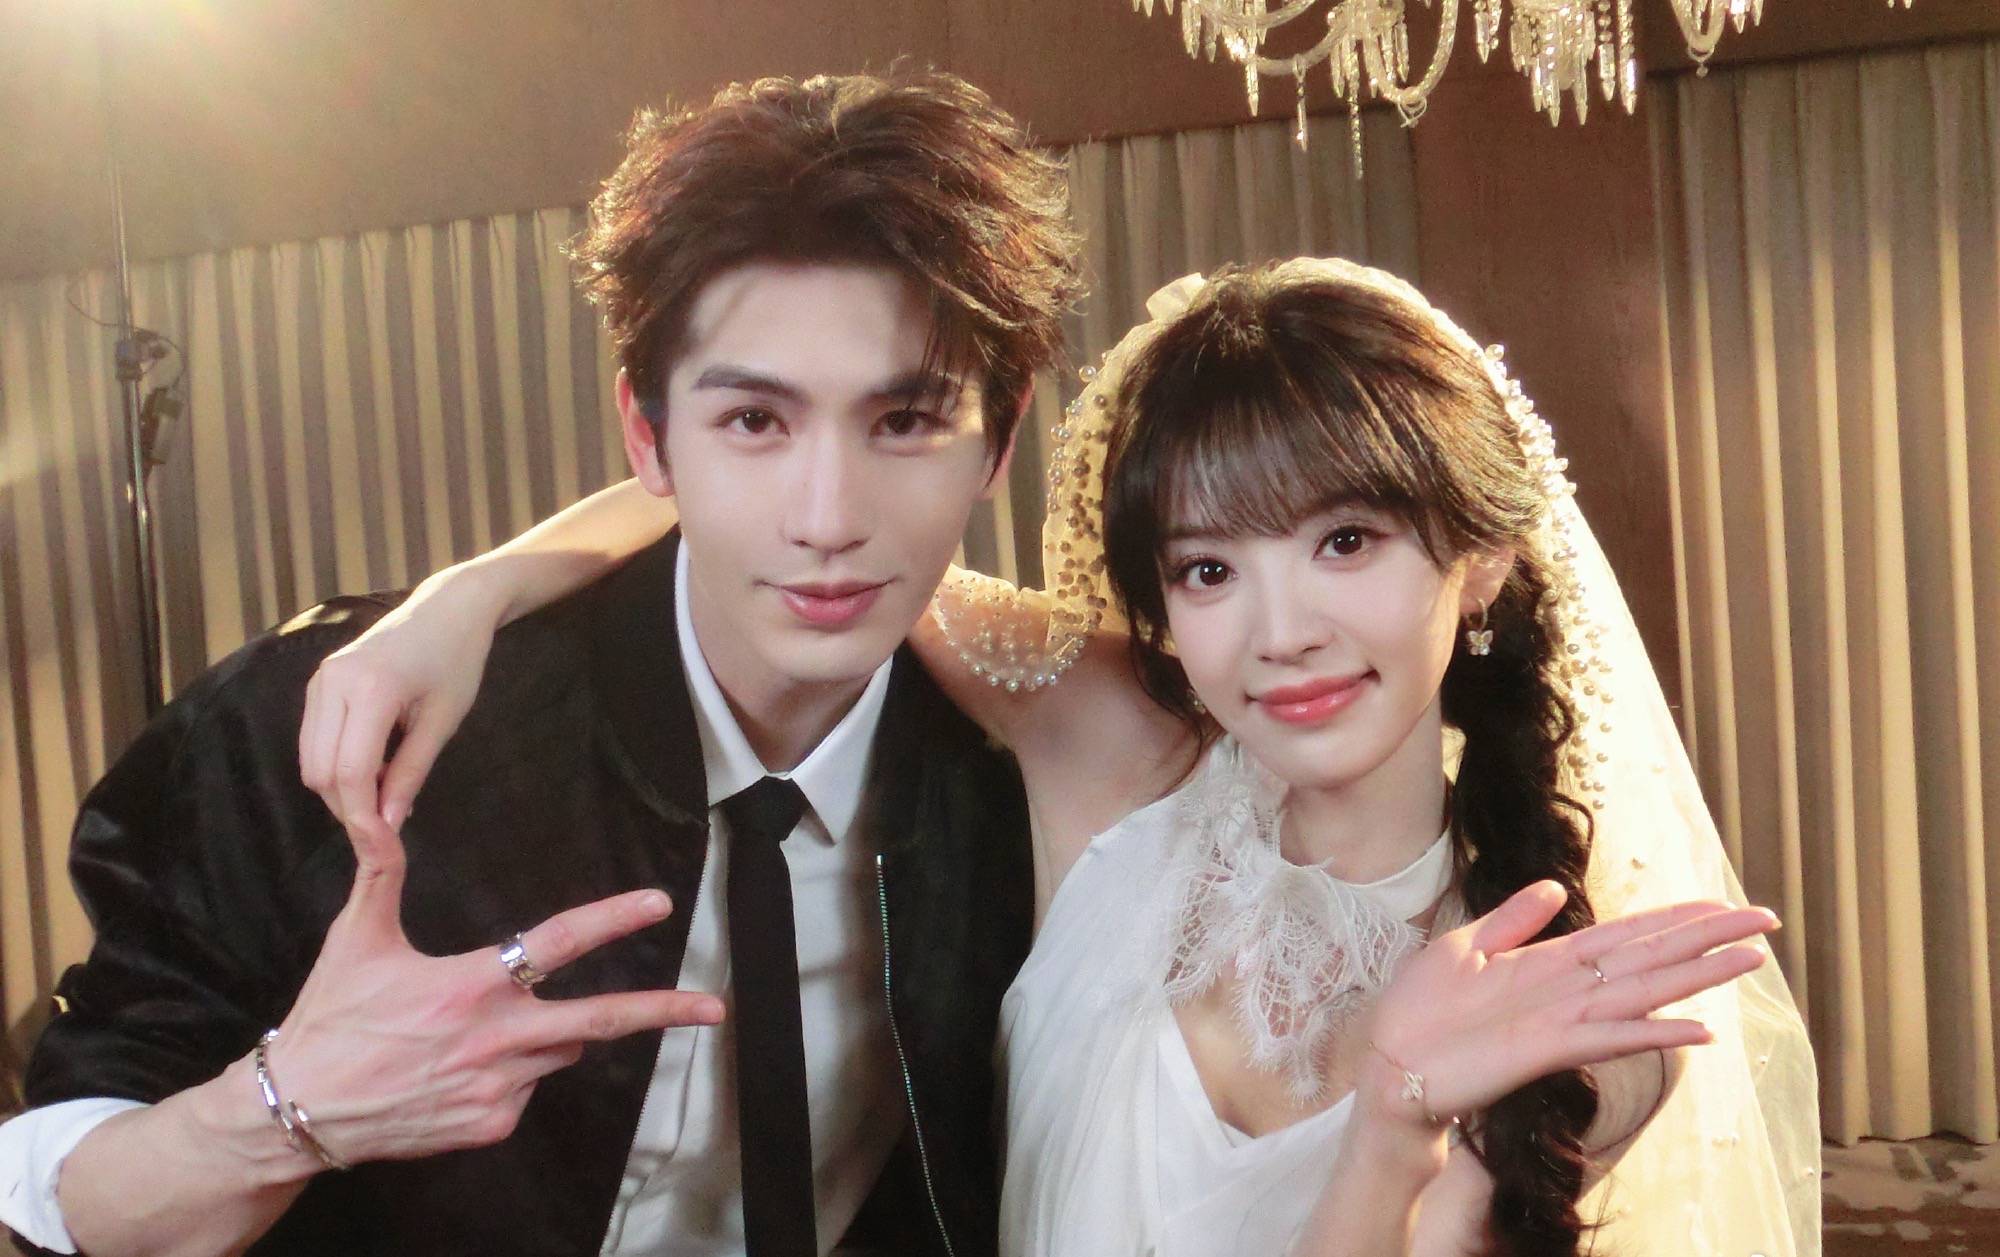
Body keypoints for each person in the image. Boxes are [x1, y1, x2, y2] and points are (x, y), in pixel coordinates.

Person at [295, 259, 1820, 1254]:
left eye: (1346, 541)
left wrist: (1399, 1113)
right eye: (1210, 569)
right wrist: (466, 601)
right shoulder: (1117, 761)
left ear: (1477, 559)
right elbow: (808, 528)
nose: (1281, 632)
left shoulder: (1574, 1017)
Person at [0, 70, 1083, 1257]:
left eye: (904, 421)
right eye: (753, 422)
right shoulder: (353, 725)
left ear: (1000, 440)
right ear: (646, 437)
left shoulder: (1026, 774)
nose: (827, 518)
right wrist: (288, 1114)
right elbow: (67, 1190)